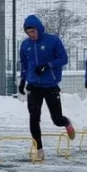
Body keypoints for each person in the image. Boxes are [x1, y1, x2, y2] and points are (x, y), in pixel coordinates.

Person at [18, 15, 75, 160]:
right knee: (34, 117)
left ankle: (66, 122)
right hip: (34, 85)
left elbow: (63, 58)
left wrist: (47, 66)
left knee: (56, 119)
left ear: (39, 28)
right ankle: (39, 149)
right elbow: (24, 64)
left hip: (50, 85)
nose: (31, 35)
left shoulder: (53, 40)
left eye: (33, 31)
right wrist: (22, 80)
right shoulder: (25, 45)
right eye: (28, 32)